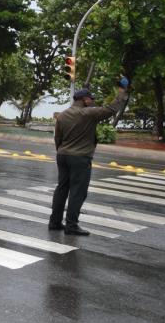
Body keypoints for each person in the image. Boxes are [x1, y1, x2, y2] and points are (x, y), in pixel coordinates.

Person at [49, 82, 129, 235]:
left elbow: (57, 138)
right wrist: (121, 92)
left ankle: (54, 222)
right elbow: (111, 109)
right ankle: (71, 226)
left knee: (61, 189)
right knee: (77, 192)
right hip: (80, 158)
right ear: (84, 100)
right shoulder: (88, 114)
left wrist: (62, 151)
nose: (92, 101)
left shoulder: (62, 115)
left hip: (63, 156)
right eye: (91, 99)